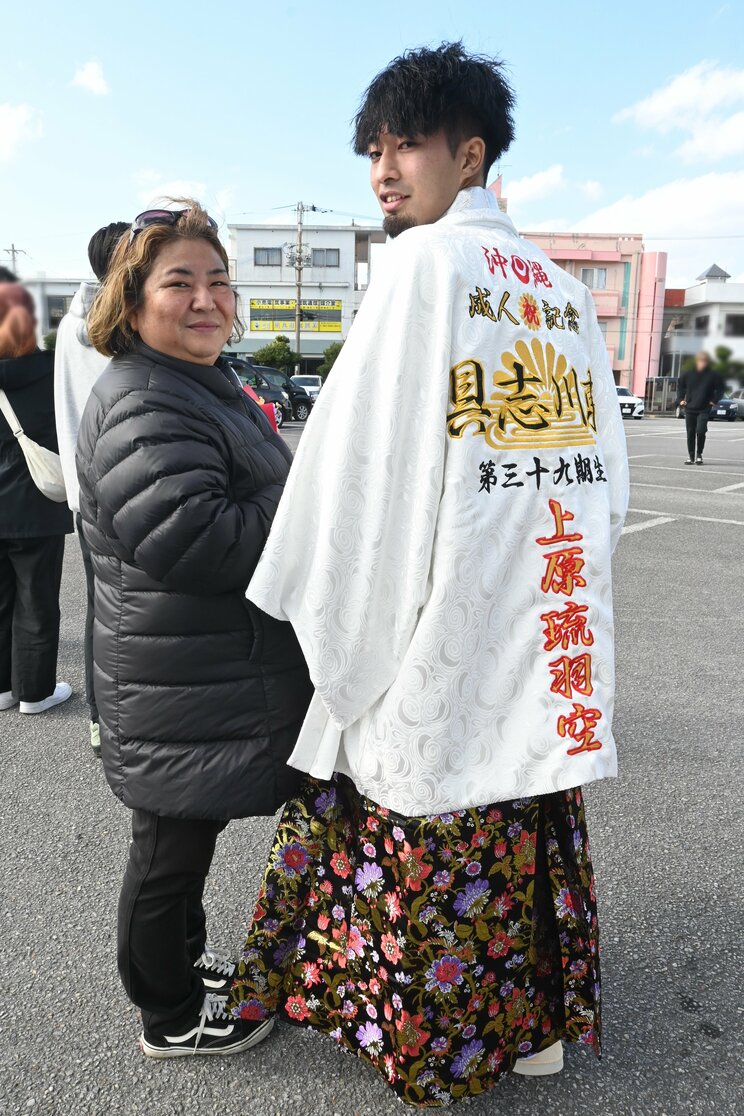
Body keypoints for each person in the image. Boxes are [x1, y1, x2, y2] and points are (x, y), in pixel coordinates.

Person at [228, 43, 629, 1106]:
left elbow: (365, 460)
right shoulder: (558, 292)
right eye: (374, 147)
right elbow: (605, 483)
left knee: (420, 822)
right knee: (520, 819)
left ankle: (434, 1043)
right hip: (537, 613)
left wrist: (331, 596)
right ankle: (531, 1029)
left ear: (472, 152)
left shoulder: (421, 267)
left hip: (433, 616)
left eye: (406, 143)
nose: (383, 169)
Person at [76, 201, 312, 1059]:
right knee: (168, 853)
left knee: (184, 843)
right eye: (181, 282)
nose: (207, 298)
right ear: (132, 301)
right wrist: (303, 498)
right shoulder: (143, 396)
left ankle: (178, 968)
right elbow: (196, 539)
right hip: (175, 679)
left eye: (219, 281)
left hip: (190, 670)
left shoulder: (187, 380)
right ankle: (166, 1015)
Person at [55, 221, 129, 757]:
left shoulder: (67, 325)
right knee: (136, 610)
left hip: (86, 495)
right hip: (125, 487)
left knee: (100, 609)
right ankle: (118, 718)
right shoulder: (123, 321)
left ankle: (100, 721)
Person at [0, 285, 73, 714]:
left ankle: (3, 691)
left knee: (1, 601)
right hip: (35, 505)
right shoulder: (49, 372)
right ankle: (34, 693)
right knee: (36, 600)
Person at [676, 350, 723, 465]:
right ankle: (691, 456)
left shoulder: (713, 375)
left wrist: (714, 401)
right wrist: (680, 400)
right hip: (690, 408)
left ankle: (699, 454)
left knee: (701, 431)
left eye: (704, 361)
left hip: (704, 408)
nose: (702, 363)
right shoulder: (687, 374)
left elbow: (720, 389)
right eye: (700, 361)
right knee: (690, 432)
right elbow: (680, 388)